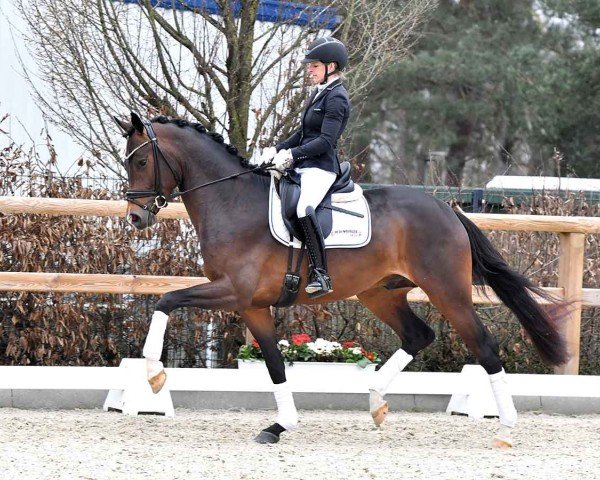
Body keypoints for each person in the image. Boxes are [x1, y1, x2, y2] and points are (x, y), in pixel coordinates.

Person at [262, 37, 351, 298]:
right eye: (309, 66)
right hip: (304, 163)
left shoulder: (337, 98)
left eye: (314, 66)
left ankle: (320, 274)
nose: (309, 70)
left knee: (304, 207)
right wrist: (277, 149)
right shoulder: (319, 92)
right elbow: (302, 133)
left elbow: (325, 142)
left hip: (321, 167)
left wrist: (291, 156)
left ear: (331, 66)